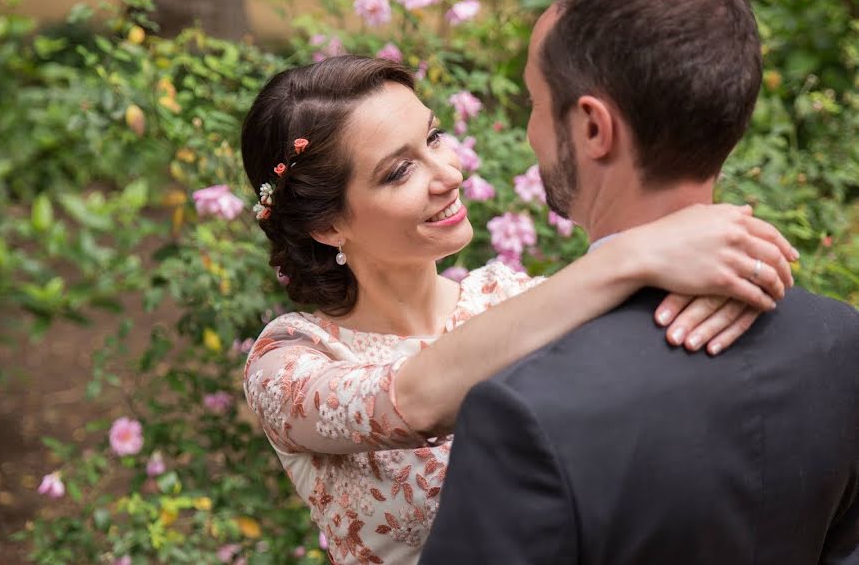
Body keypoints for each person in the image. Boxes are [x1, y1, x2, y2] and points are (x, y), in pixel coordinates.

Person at [239, 53, 798, 563]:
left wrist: (737, 268)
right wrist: (627, 256)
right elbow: (412, 400)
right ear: (327, 225)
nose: (451, 175)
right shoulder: (289, 360)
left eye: (433, 137)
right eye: (399, 170)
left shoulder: (515, 298)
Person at [420, 0, 859, 563]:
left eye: (536, 104)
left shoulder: (528, 412)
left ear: (594, 127)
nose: (529, 132)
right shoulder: (841, 341)